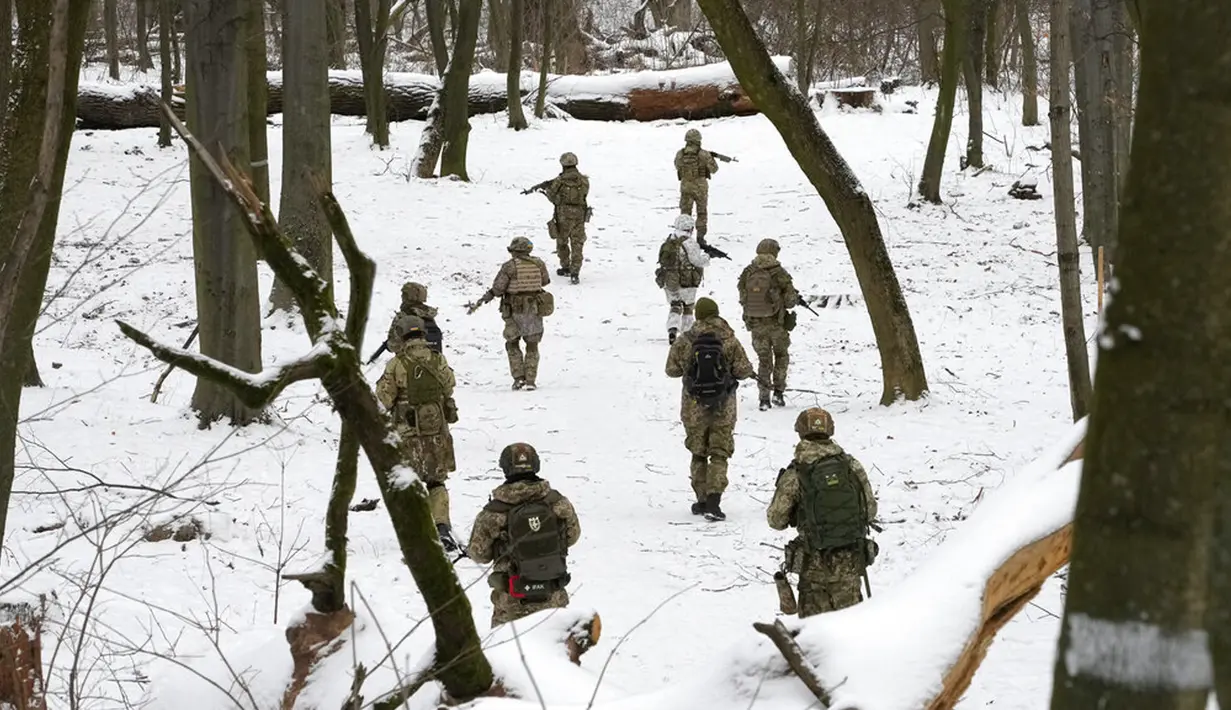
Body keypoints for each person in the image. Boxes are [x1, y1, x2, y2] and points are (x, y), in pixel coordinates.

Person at [767, 407, 878, 618]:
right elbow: (870, 510)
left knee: (815, 639)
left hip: (814, 569)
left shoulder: (796, 473)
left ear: (799, 432)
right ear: (831, 431)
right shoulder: (851, 466)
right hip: (850, 564)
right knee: (853, 629)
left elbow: (776, 520)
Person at [467, 442, 582, 627]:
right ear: (536, 464)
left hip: (511, 607)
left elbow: (479, 554)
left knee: (506, 655)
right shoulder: (558, 503)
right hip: (554, 602)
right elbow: (573, 536)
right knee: (555, 652)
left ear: (505, 468)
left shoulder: (493, 513)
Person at [374, 315, 462, 552]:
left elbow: (383, 399)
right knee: (436, 481)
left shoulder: (396, 364)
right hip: (437, 432)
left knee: (408, 482)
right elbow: (449, 385)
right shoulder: (437, 358)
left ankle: (415, 532)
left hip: (407, 434)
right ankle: (442, 527)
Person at [664, 297, 756, 521]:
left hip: (693, 407)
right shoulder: (729, 339)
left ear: (698, 315)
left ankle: (701, 499)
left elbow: (671, 370)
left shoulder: (687, 339)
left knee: (698, 453)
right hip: (723, 407)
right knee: (719, 453)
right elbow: (743, 371)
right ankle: (714, 502)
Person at [737, 238, 800, 411]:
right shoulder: (779, 272)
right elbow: (789, 301)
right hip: (777, 325)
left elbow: (743, 298)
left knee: (764, 361)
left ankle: (764, 398)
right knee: (781, 356)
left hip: (756, 325)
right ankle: (778, 393)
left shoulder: (747, 273)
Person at [655, 214, 711, 345]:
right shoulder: (690, 243)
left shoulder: (669, 240)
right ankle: (687, 333)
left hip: (669, 281)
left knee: (675, 305)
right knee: (688, 307)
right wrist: (708, 257)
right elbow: (697, 261)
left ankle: (672, 328)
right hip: (687, 281)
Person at [537, 152, 591, 284]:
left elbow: (552, 196)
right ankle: (575, 272)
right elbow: (584, 195)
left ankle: (565, 266)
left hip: (563, 215)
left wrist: (547, 192)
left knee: (562, 242)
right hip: (579, 214)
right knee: (577, 243)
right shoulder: (584, 180)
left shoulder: (559, 181)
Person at [674, 128, 720, 243]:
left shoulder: (680, 153)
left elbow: (677, 165)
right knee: (701, 213)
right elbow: (714, 169)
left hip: (685, 187)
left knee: (685, 213)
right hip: (700, 188)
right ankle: (700, 238)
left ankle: (684, 236)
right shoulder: (703, 154)